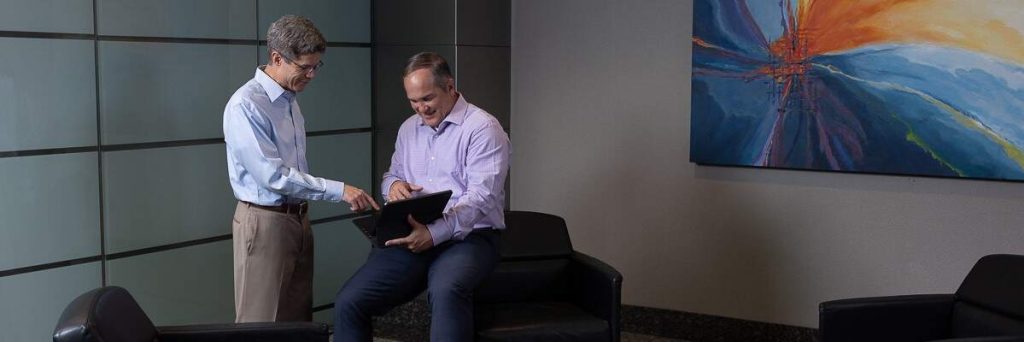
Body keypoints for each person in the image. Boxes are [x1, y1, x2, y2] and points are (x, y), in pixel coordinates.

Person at [333, 52, 511, 341]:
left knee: (446, 290)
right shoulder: (408, 129)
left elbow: (481, 198)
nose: (420, 109)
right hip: (413, 234)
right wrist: (392, 187)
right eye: (413, 101)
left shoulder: (483, 129)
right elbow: (392, 175)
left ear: (450, 87)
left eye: (427, 99)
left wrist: (433, 233)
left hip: (469, 238)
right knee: (349, 302)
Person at [223, 15, 379, 323]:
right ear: (277, 58)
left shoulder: (288, 99)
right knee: (261, 324)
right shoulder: (247, 105)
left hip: (297, 220)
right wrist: (340, 190)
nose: (311, 75)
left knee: (297, 322)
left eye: (316, 66)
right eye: (304, 67)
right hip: (264, 223)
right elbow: (273, 176)